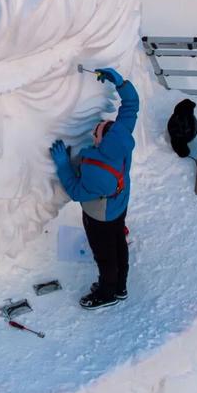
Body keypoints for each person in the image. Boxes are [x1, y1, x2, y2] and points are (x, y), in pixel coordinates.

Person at [50, 67, 139, 309]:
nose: (95, 130)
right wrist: (120, 83)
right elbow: (131, 105)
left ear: (100, 140)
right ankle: (120, 286)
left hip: (100, 214)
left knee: (105, 254)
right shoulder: (120, 135)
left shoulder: (96, 169)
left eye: (96, 131)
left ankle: (107, 293)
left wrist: (63, 166)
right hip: (120, 204)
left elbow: (77, 191)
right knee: (118, 242)